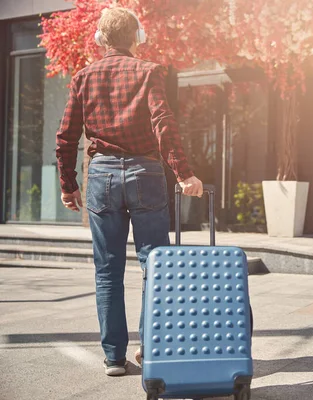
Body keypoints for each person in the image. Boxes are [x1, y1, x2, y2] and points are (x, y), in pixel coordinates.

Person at [56, 7, 204, 377]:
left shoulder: (83, 77)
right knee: (155, 266)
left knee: (107, 271)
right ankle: (150, 348)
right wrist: (184, 173)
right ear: (137, 38)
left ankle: (113, 358)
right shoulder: (150, 72)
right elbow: (163, 124)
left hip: (102, 176)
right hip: (145, 174)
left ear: (100, 39)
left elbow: (65, 138)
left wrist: (68, 185)